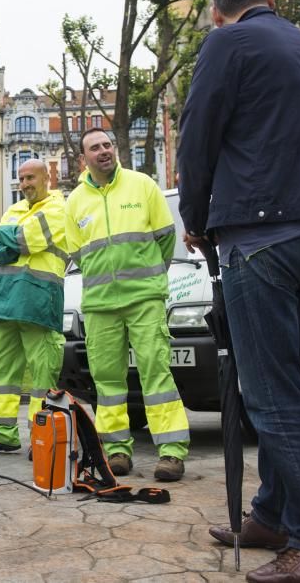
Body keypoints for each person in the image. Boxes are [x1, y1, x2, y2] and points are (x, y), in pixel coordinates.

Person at [178, 0, 300, 583]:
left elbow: (198, 139)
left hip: (259, 238)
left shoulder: (226, 44)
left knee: (272, 397)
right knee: (286, 384)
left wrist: (195, 217)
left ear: (218, 9)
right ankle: (272, 514)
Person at [65, 128, 190, 482]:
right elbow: (78, 254)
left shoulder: (143, 185)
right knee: (107, 381)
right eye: (95, 147)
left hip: (144, 298)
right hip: (100, 303)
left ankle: (171, 453)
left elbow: (165, 240)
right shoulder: (75, 201)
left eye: (107, 145)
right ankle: (116, 451)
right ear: (83, 158)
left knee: (156, 373)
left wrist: (149, 280)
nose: (104, 151)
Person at [0, 159, 68, 453]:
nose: (25, 183)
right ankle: (2, 434)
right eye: (21, 178)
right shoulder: (14, 210)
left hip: (39, 300)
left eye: (31, 177)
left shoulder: (59, 209)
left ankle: (40, 436)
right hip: (6, 300)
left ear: (47, 178)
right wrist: (11, 239)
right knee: (2, 372)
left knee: (42, 373)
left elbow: (27, 238)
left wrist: (8, 237)